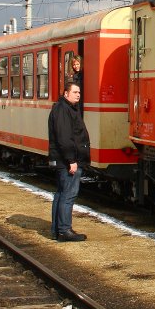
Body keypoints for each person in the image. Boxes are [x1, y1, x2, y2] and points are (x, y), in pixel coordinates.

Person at [47, 82, 90, 241]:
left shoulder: (64, 108)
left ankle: (57, 230)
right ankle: (64, 230)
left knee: (61, 194)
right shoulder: (63, 110)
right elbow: (64, 139)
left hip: (63, 160)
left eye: (79, 92)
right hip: (67, 161)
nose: (78, 95)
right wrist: (71, 160)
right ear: (66, 93)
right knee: (68, 195)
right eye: (74, 92)